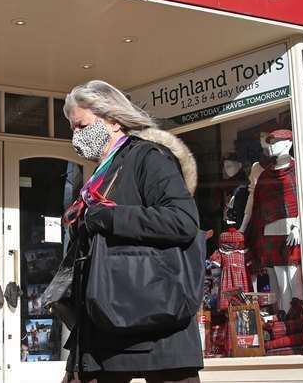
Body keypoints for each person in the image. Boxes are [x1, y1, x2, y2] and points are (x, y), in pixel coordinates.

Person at [61, 80, 202, 383]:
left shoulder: (148, 158)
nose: (76, 138)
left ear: (112, 120)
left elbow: (182, 220)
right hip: (104, 323)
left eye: (82, 126)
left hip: (156, 321)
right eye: (72, 129)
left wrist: (110, 218)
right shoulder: (101, 174)